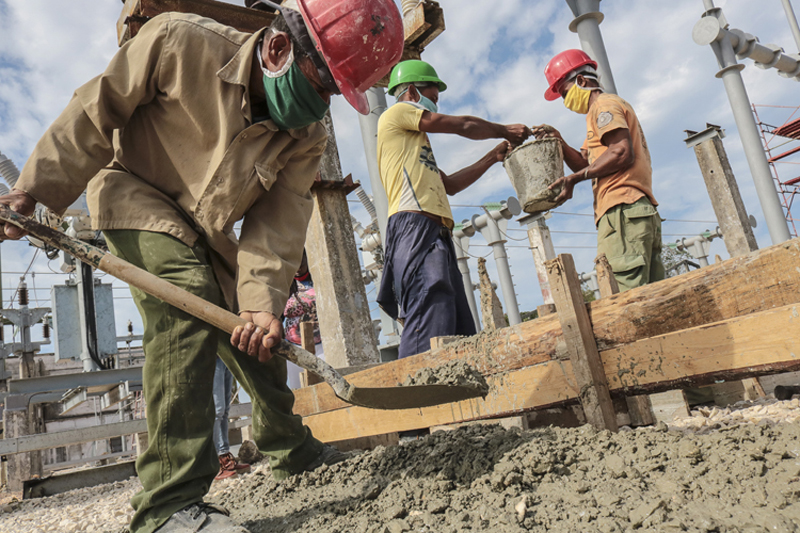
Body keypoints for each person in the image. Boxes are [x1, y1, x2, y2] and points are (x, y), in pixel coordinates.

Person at [0, 0, 403, 531]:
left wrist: (261, 307)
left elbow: (277, 224)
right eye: (321, 85)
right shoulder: (180, 40)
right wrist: (34, 189)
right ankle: (167, 505)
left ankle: (292, 451)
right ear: (278, 47)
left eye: (334, 95)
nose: (322, 105)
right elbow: (96, 109)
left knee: (258, 341)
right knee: (182, 302)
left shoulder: (306, 137)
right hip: (133, 191)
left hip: (203, 230)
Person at [376, 60, 531, 359]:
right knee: (428, 310)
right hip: (414, 227)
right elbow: (462, 125)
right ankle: (421, 391)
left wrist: (493, 156)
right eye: (432, 98)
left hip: (434, 232)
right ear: (410, 92)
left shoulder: (414, 147)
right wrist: (504, 130)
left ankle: (455, 391)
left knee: (454, 323)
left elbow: (450, 185)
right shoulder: (397, 112)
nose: (434, 105)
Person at [537, 49, 664, 292]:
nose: (566, 102)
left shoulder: (603, 106)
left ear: (582, 81)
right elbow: (586, 164)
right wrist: (560, 142)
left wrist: (574, 179)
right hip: (636, 211)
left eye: (565, 94)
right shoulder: (599, 114)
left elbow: (621, 152)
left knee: (624, 297)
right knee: (654, 296)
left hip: (622, 211)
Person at [282, 250, 323, 389]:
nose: (298, 267)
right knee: (299, 390)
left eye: (301, 261)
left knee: (324, 386)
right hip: (294, 347)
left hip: (321, 345)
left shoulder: (319, 280)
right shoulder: (283, 284)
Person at [212, 357, 251, 480]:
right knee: (217, 410)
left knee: (224, 411)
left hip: (224, 356)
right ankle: (215, 462)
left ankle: (224, 456)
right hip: (211, 354)